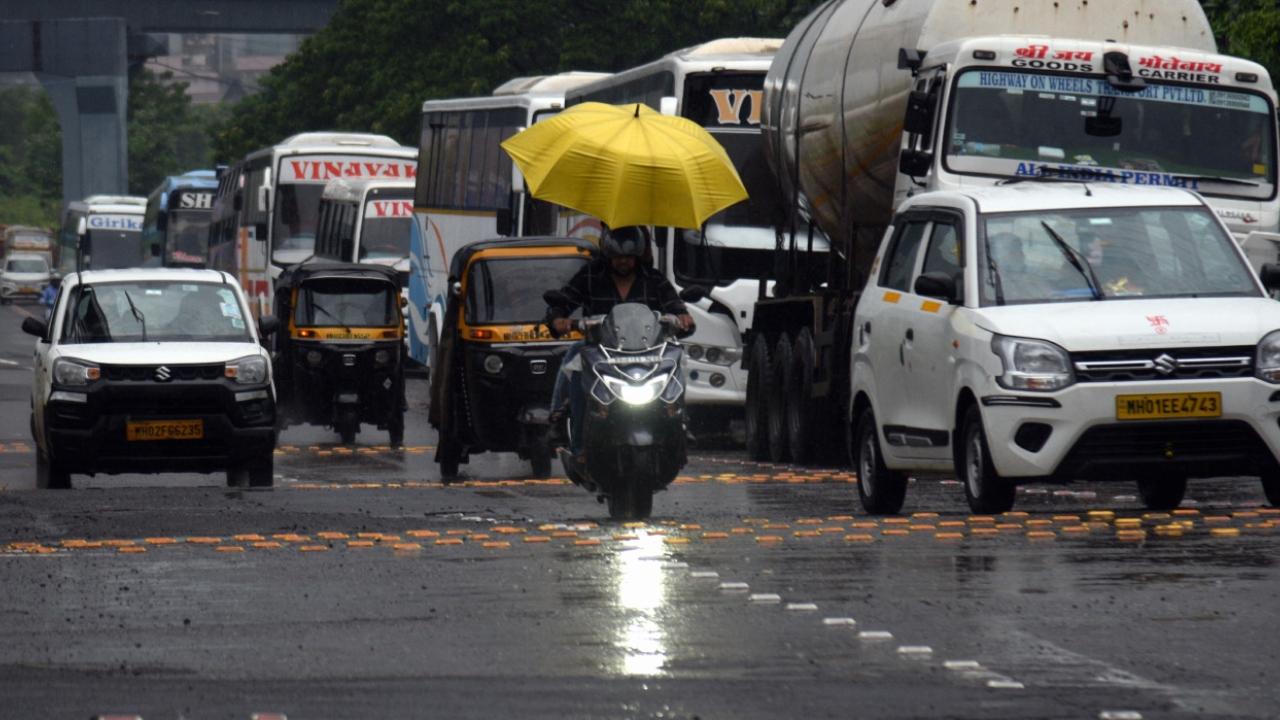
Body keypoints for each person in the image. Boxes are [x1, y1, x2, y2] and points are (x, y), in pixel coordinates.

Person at [546, 225, 694, 455]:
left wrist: (682, 317)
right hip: (601, 352)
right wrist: (558, 319)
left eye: (628, 257)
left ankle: (680, 423)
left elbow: (674, 304)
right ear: (608, 255)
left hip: (648, 352)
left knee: (676, 359)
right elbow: (565, 300)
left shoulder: (653, 279)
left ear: (637, 256)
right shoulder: (590, 275)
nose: (622, 262)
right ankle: (571, 435)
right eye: (617, 257)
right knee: (575, 359)